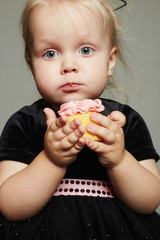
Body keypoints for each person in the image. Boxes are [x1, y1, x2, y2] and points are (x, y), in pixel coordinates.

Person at [0, 0, 160, 239]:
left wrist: (119, 160)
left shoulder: (123, 122)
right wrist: (51, 160)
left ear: (110, 61)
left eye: (85, 50)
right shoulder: (26, 123)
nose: (69, 65)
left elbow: (149, 201)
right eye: (50, 53)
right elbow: (10, 206)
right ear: (31, 64)